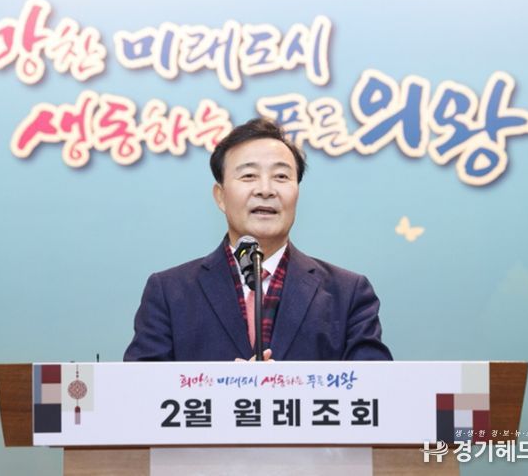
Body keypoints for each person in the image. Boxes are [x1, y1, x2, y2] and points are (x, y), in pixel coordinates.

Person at [124, 118, 392, 362]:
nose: (266, 190)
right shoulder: (169, 293)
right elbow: (139, 390)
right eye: (249, 176)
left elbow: (376, 390)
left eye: (281, 176)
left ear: (297, 193)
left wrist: (286, 389)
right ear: (220, 196)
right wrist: (226, 389)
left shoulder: (348, 293)